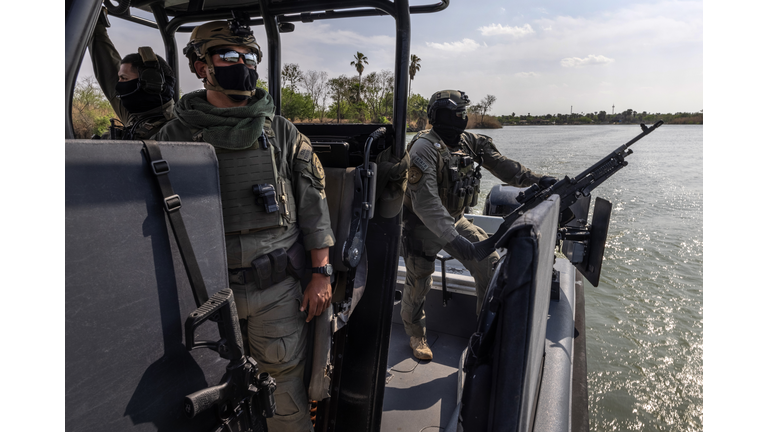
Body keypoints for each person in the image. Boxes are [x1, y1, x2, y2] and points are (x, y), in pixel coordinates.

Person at [154, 20, 335, 432]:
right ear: (200, 66)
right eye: (229, 56)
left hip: (277, 290)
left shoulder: (282, 132)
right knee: (211, 398)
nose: (244, 65)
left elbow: (313, 207)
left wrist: (321, 273)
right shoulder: (173, 136)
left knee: (284, 391)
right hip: (206, 298)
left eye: (250, 57)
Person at [401, 90, 557, 360]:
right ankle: (416, 335)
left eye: (464, 113)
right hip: (422, 227)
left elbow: (503, 166)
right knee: (418, 284)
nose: (462, 118)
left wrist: (537, 179)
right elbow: (426, 204)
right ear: (439, 116)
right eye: (457, 114)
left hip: (455, 219)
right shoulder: (423, 148)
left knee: (490, 264)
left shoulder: (469, 142)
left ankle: (484, 332)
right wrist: (456, 240)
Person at [88, 8, 175, 139]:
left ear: (151, 83)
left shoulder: (175, 130)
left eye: (124, 78)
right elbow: (108, 69)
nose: (118, 86)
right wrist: (94, 23)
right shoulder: (136, 113)